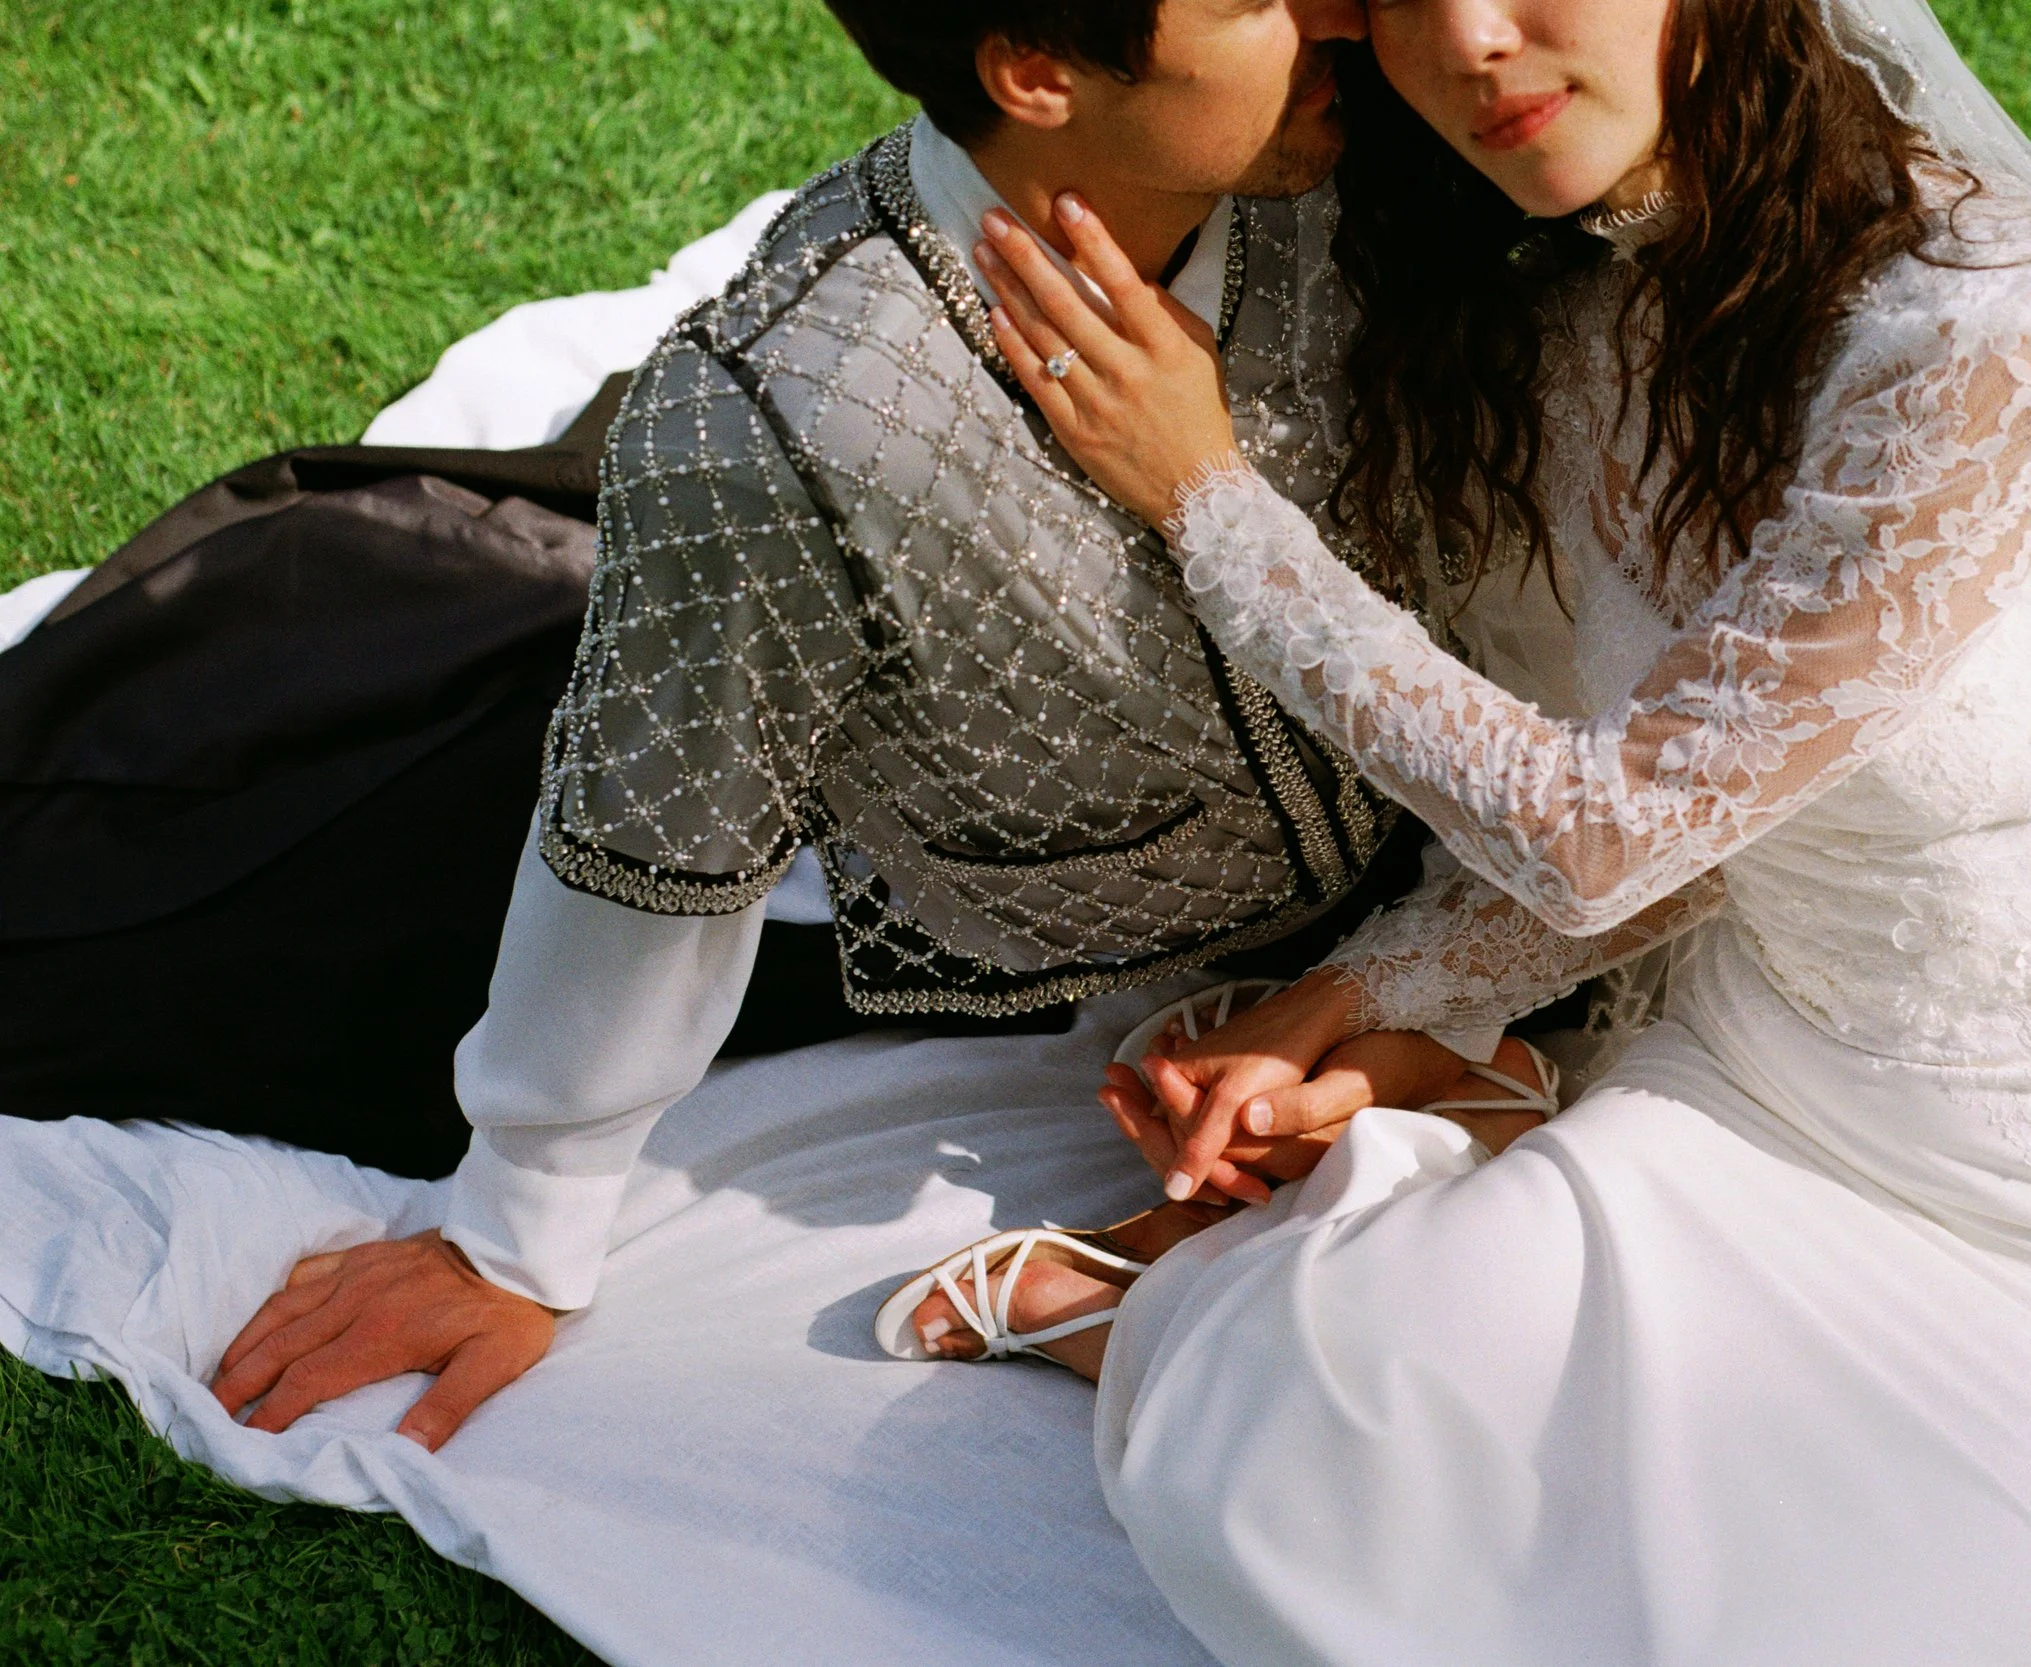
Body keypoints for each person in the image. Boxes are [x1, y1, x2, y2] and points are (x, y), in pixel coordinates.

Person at [901, 0, 2031, 1658]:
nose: (1474, 47)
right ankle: (1308, 1237)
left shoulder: (2001, 331)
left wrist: (1212, 504)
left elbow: (1612, 832)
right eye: (1401, 3)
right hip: (1761, 1089)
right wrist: (1368, 996)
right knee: (1310, 1459)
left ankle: (1412, 1185)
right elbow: (1711, 828)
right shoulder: (1588, 311)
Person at [197, 0, 1547, 1453]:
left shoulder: (1380, 153)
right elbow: (656, 846)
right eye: (1254, 0)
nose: (1348, 6)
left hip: (1463, 873)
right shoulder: (770, 429)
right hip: (1033, 937)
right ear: (1035, 71)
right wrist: (517, 1231)